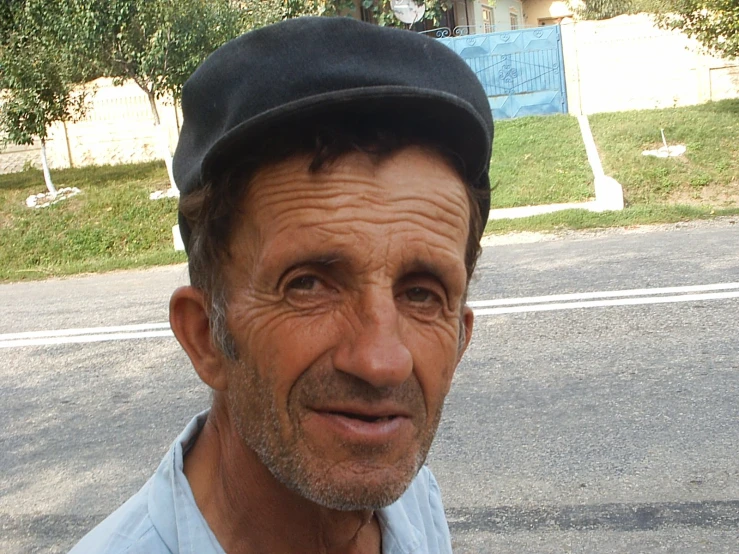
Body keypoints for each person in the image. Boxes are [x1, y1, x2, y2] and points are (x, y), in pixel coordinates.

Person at [69, 16, 493, 554]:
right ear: (206, 337)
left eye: (421, 294)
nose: (383, 362)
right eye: (309, 285)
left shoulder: (410, 501)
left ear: (459, 339)